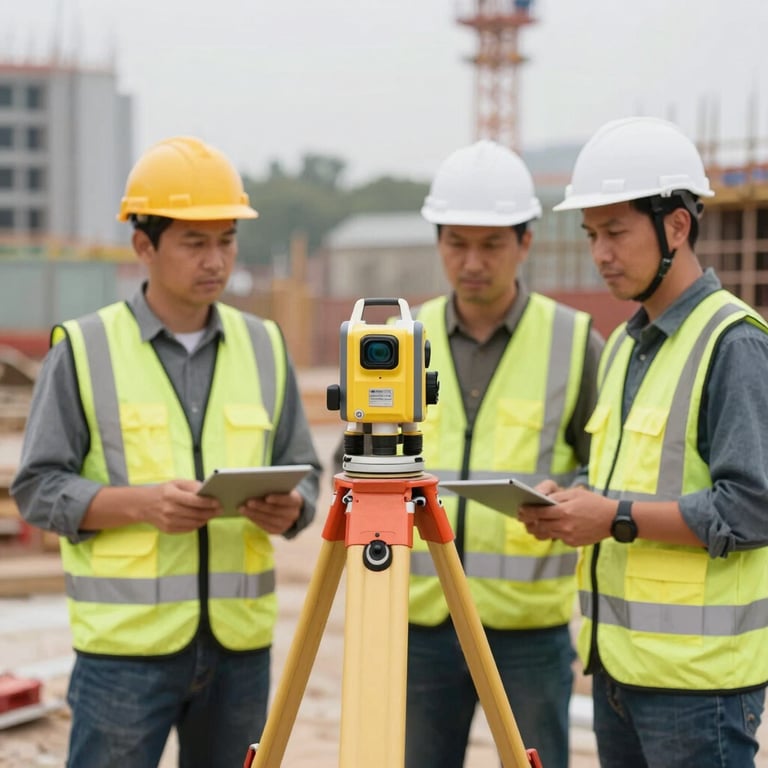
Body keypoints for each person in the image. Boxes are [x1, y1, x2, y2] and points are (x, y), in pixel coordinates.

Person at [10, 136, 322, 768]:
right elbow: (37, 488)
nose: (216, 260)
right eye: (194, 242)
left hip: (239, 651)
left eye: (227, 240)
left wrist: (293, 508)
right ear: (143, 245)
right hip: (125, 656)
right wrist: (141, 505)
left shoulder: (265, 346)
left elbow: (308, 471)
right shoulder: (85, 349)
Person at [519, 116, 768, 767]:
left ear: (676, 226)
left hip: (699, 688)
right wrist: (572, 500)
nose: (599, 253)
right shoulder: (626, 347)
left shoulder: (734, 343)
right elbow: (631, 479)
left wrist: (614, 517)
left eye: (615, 232)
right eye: (591, 235)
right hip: (619, 671)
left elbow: (751, 509)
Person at [403, 140, 603, 768]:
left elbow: (607, 468)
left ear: (525, 242)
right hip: (423, 622)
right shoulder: (402, 338)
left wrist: (571, 493)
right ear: (438, 243)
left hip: (528, 632)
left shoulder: (574, 342)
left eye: (491, 245)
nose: (472, 262)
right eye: (457, 243)